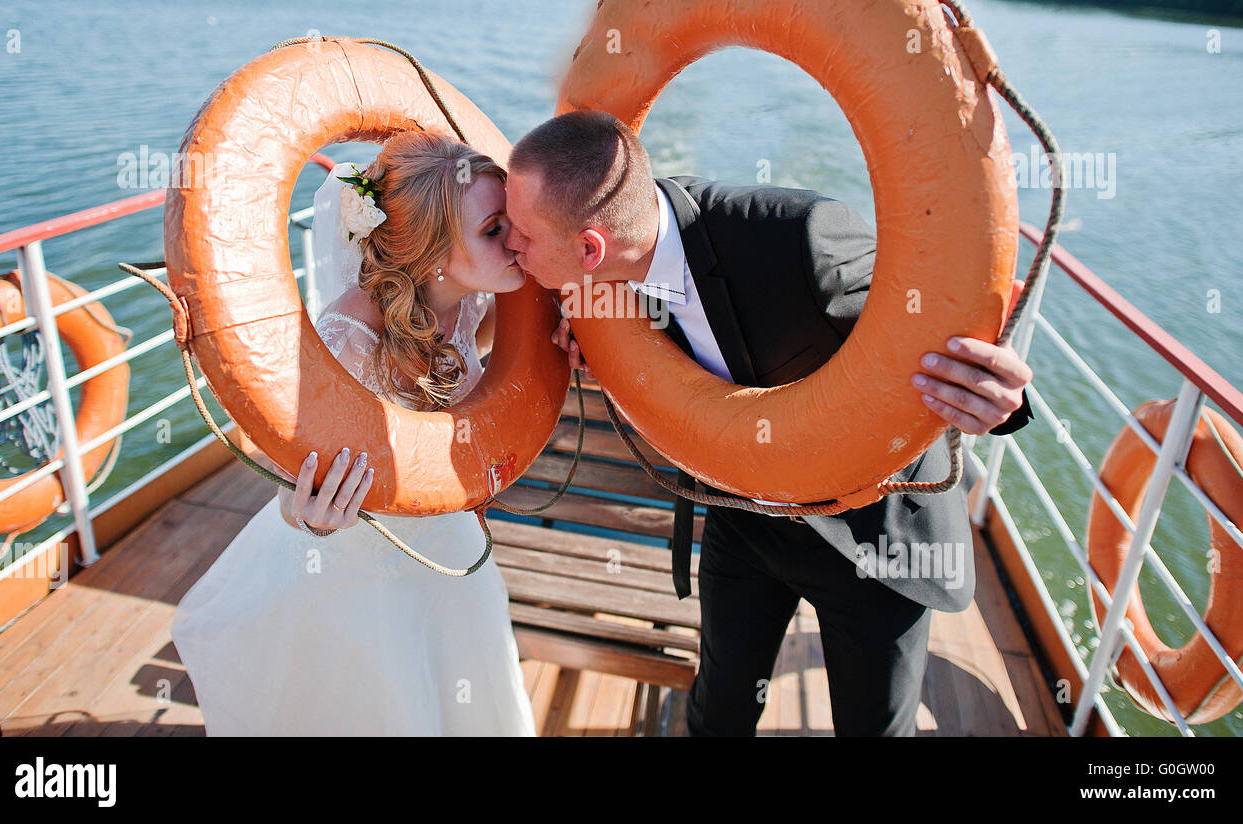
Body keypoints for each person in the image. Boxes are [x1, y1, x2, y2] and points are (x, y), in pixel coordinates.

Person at [501, 109, 1035, 737]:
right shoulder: (606, 272)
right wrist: (594, 351)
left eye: (521, 235)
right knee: (718, 708)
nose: (511, 242)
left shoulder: (801, 241)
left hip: (870, 539)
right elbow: (647, 356)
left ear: (590, 248)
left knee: (874, 728)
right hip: (746, 520)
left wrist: (1003, 399)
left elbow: (939, 334)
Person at [170, 131, 536, 736]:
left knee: (467, 680)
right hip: (359, 556)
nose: (517, 241)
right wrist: (312, 516)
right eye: (495, 230)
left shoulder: (469, 298)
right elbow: (295, 481)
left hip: (447, 531)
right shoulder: (346, 340)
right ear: (433, 251)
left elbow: (488, 357)